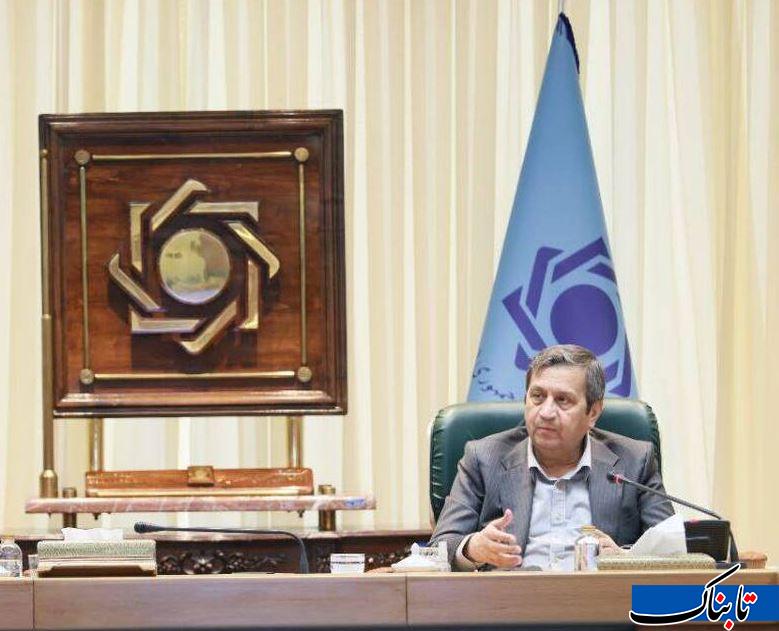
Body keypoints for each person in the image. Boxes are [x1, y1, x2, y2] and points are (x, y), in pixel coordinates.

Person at [430, 344, 673, 570]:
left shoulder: (634, 461)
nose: (546, 412)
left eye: (562, 400)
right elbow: (439, 548)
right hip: (509, 599)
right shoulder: (483, 458)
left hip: (603, 599)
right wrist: (473, 548)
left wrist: (626, 560)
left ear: (593, 412)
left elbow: (673, 554)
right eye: (537, 396)